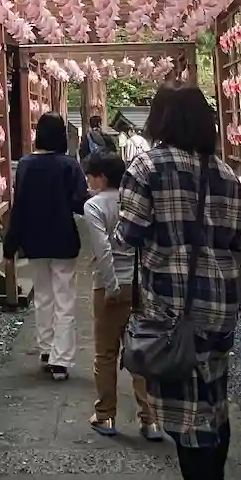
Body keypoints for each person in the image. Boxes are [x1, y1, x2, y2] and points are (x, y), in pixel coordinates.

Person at [117, 87, 241, 480]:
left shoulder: (147, 168)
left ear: (160, 120)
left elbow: (128, 233)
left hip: (173, 308)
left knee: (186, 415)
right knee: (214, 400)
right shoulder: (227, 174)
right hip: (221, 304)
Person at [82, 151, 161, 442]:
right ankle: (150, 420)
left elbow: (102, 250)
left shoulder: (94, 206)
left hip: (109, 286)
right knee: (140, 349)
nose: (88, 180)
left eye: (91, 175)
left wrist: (112, 286)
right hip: (139, 284)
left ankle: (106, 414)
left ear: (102, 177)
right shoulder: (135, 201)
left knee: (105, 353)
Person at [3, 111, 88, 380]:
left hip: (35, 239)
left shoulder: (25, 164)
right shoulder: (69, 165)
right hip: (64, 238)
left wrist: (10, 244)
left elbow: (19, 207)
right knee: (64, 298)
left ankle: (46, 347)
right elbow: (80, 202)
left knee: (42, 295)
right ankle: (60, 360)